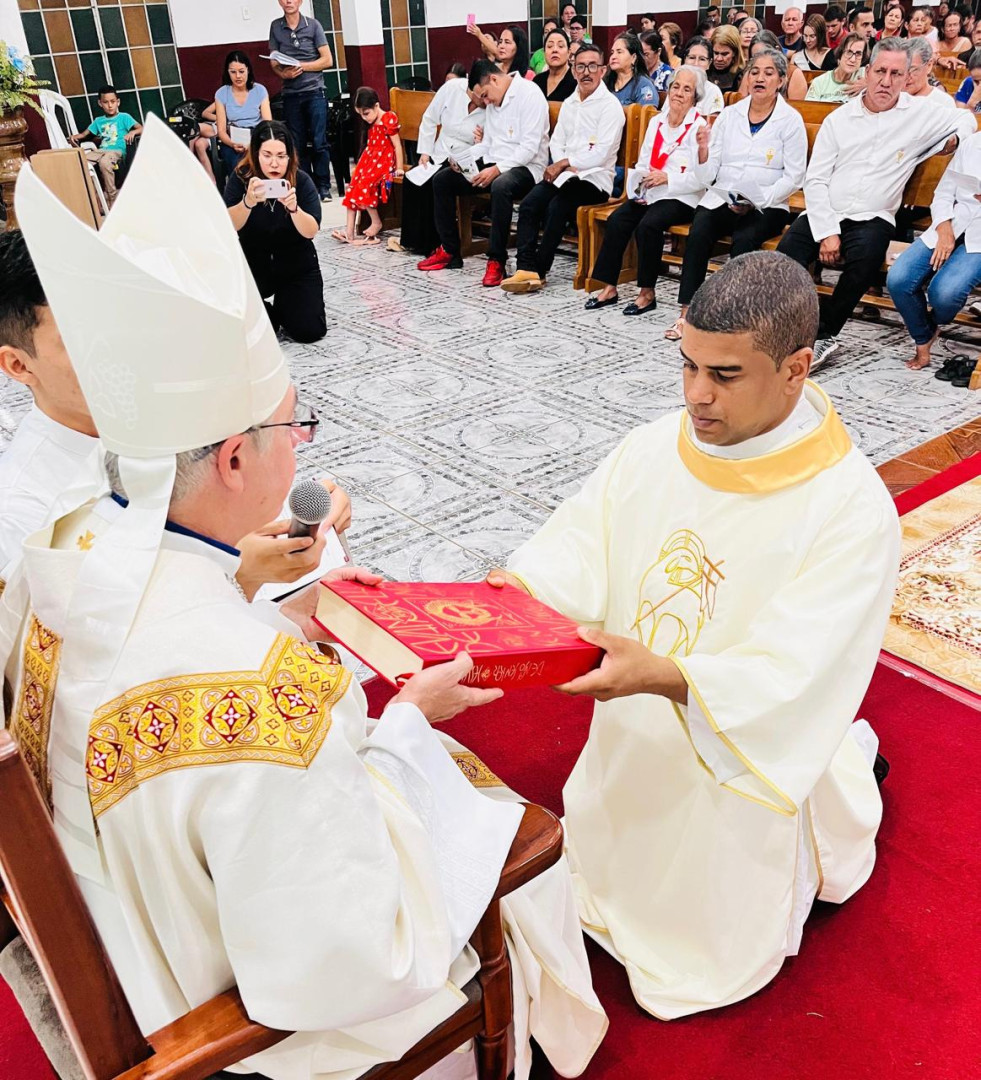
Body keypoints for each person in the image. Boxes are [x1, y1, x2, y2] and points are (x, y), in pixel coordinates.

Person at [9, 118, 609, 1080]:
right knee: (498, 828)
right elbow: (351, 956)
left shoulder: (64, 554)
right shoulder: (264, 698)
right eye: (298, 424)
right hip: (237, 1018)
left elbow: (169, 648)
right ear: (238, 456)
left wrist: (272, 604)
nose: (305, 446)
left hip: (131, 938)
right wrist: (406, 725)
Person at [496, 250, 900, 1022]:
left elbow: (797, 670)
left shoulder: (847, 508)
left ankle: (839, 783)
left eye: (723, 374)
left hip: (733, 759)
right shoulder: (656, 446)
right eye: (684, 365)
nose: (694, 395)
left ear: (795, 369)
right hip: (630, 733)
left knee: (694, 946)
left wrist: (669, 676)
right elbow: (578, 547)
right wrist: (502, 605)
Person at [0, 229, 349, 603]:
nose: (125, 351)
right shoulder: (21, 509)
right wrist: (236, 574)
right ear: (18, 364)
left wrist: (311, 518)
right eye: (86, 340)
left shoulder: (178, 405)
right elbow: (78, 651)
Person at [778, 38, 975, 368]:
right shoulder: (840, 119)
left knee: (864, 261)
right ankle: (782, 331)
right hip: (827, 208)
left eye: (896, 73)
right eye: (880, 71)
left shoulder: (920, 113)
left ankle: (824, 335)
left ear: (906, 76)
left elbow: (966, 119)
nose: (887, 81)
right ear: (867, 72)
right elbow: (815, 180)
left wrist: (955, 139)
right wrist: (827, 231)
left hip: (874, 216)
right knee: (782, 263)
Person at [671, 49, 807, 341]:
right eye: (754, 71)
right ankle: (687, 313)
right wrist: (704, 151)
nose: (760, 78)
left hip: (767, 203)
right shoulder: (730, 115)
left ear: (781, 80)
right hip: (725, 197)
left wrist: (760, 199)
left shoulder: (791, 120)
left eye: (769, 73)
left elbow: (795, 174)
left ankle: (734, 317)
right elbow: (707, 175)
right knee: (700, 230)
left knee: (745, 240)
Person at [502, 43, 625, 294]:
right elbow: (557, 141)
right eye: (580, 66)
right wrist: (562, 164)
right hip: (565, 176)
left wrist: (567, 163)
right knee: (530, 203)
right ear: (573, 69)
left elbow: (601, 153)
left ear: (603, 70)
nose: (586, 72)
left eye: (592, 66)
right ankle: (524, 268)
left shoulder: (610, 107)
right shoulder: (571, 102)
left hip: (595, 181)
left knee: (558, 206)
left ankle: (539, 271)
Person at [585, 66, 709, 315]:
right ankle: (609, 286)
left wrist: (667, 178)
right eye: (675, 87)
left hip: (681, 195)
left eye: (687, 89)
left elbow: (701, 178)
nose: (679, 93)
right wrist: (640, 181)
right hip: (652, 190)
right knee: (618, 219)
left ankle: (646, 292)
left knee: (649, 225)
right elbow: (643, 161)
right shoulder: (657, 121)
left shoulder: (699, 127)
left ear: (695, 96)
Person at [420, 60, 549, 287]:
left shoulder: (530, 94)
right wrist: (463, 158)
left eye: (486, 95)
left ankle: (496, 258)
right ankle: (450, 250)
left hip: (527, 168)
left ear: (494, 79)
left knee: (501, 185)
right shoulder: (492, 102)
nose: (485, 102)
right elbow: (487, 144)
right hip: (494, 163)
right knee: (443, 180)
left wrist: (497, 169)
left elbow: (529, 149)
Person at [886, 128, 981, 369]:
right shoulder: (972, 144)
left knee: (945, 293)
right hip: (953, 222)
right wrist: (944, 227)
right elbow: (943, 193)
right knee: (899, 278)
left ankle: (933, 324)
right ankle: (924, 335)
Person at [225, 121, 326, 343]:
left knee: (309, 331)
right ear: (255, 154)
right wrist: (247, 202)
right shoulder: (240, 179)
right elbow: (229, 224)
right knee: (254, 334)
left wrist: (294, 209)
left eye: (281, 156)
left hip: (295, 265)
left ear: (290, 156)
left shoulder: (301, 180)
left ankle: (286, 304)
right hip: (253, 263)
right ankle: (267, 312)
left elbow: (311, 231)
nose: (274, 163)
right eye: (267, 155)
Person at [397, 65, 486, 256]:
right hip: (439, 152)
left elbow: (490, 143)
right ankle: (414, 242)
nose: (483, 100)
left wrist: (482, 140)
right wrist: (425, 153)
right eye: (479, 95)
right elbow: (429, 119)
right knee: (412, 178)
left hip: (463, 159)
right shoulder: (452, 88)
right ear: (471, 87)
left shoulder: (491, 105)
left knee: (435, 182)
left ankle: (434, 244)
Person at [268, 0, 334, 202]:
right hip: (290, 94)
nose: (288, 1)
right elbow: (273, 62)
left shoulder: (313, 25)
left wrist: (302, 66)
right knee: (296, 144)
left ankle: (324, 187)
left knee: (318, 141)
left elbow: (328, 60)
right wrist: (283, 73)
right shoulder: (275, 26)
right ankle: (308, 187)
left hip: (314, 92)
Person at [333, 88, 403, 247]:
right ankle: (349, 232)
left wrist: (399, 168)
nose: (364, 118)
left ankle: (376, 222)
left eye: (366, 113)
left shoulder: (388, 118)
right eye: (360, 115)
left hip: (384, 161)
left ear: (376, 105)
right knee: (353, 186)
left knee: (365, 184)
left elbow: (397, 145)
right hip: (370, 159)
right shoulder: (370, 122)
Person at [67, 85, 141, 207]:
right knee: (81, 163)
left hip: (117, 151)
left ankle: (112, 198)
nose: (110, 105)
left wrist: (132, 132)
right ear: (100, 103)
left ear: (118, 102)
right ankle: (95, 200)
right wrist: (74, 137)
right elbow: (84, 134)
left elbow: (141, 128)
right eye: (106, 102)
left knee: (105, 162)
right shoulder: (98, 121)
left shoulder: (124, 117)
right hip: (101, 150)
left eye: (113, 102)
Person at [215, 50, 272, 177]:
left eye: (241, 71)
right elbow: (221, 131)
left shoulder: (260, 90)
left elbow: (267, 124)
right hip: (234, 139)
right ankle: (240, 194)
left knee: (261, 158)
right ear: (227, 72)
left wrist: (253, 143)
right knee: (237, 163)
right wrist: (232, 143)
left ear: (248, 70)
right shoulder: (221, 93)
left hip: (257, 137)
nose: (238, 76)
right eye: (233, 72)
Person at [739, 31, 809, 99]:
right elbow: (741, 104)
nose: (760, 61)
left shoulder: (793, 73)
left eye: (764, 55)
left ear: (777, 50)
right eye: (755, 57)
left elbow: (797, 108)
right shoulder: (749, 74)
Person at [805, 33, 868, 100]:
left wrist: (868, 88)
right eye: (849, 52)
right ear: (840, 54)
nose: (853, 59)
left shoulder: (866, 75)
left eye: (858, 54)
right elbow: (809, 109)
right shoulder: (819, 82)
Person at [903, 35, 957, 107]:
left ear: (929, 66)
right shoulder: (892, 98)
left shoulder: (943, 102)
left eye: (912, 69)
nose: (906, 76)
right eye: (901, 70)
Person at [605, 32, 658, 103]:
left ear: (633, 58)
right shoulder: (605, 83)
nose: (613, 57)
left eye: (619, 52)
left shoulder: (644, 85)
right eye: (612, 53)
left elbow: (647, 112)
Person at [682, 36, 726, 115]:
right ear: (685, 59)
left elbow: (713, 123)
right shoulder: (676, 87)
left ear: (709, 63)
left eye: (702, 59)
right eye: (692, 58)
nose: (696, 64)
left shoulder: (713, 91)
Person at [533, 27, 577, 101]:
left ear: (569, 52)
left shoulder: (576, 82)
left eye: (560, 46)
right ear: (544, 53)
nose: (555, 50)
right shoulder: (537, 81)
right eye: (550, 46)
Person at [709, 25, 746, 91]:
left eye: (724, 54)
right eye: (716, 53)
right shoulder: (705, 70)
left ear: (734, 52)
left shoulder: (742, 76)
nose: (719, 59)